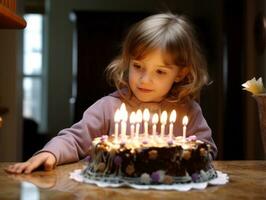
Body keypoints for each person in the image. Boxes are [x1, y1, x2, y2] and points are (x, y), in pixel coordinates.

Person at [6, 12, 217, 174]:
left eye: (160, 71)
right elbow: (75, 139)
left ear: (180, 74)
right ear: (128, 62)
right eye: (138, 66)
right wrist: (50, 152)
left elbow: (206, 150)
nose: (144, 79)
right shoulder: (109, 107)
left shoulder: (188, 111)